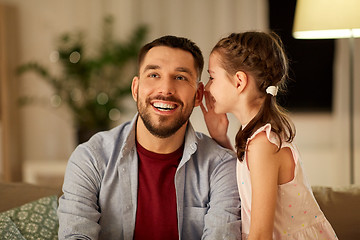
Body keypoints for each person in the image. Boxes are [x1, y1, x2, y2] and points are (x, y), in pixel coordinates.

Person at [57, 35, 241, 240]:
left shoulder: (221, 167)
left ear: (198, 95)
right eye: (154, 75)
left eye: (180, 77)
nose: (165, 90)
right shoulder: (91, 158)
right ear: (136, 88)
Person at [200, 31, 337, 239]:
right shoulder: (258, 138)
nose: (208, 88)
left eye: (212, 77)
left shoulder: (262, 144)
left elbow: (261, 235)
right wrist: (221, 137)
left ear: (239, 81)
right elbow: (246, 181)